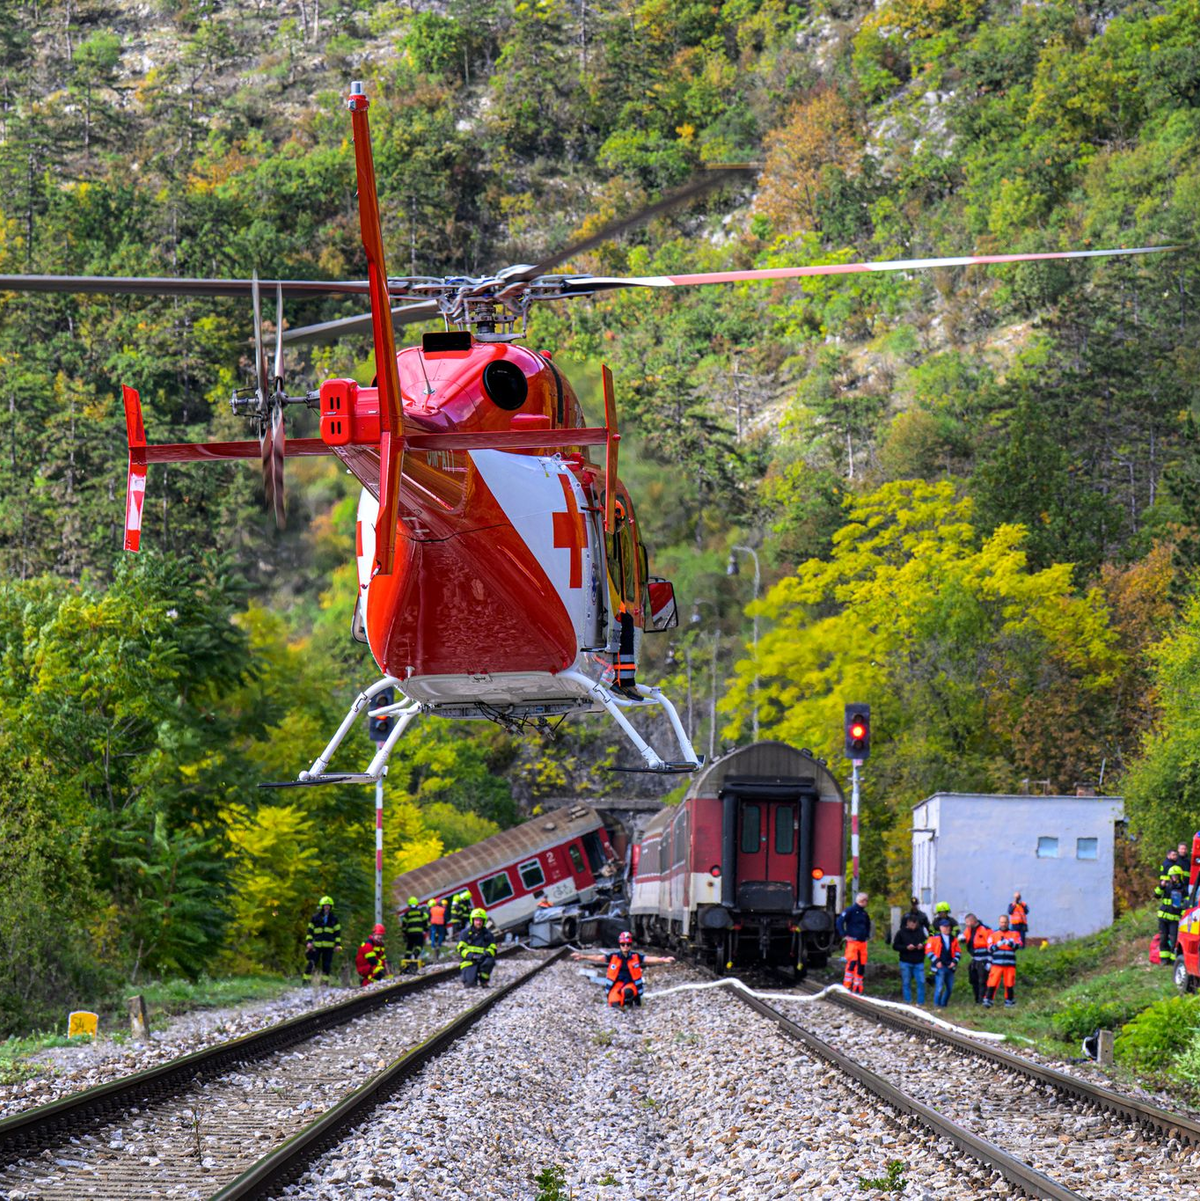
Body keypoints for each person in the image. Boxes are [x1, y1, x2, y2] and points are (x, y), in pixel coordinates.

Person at [572, 931, 675, 1008]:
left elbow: (649, 959)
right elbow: (598, 958)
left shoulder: (635, 956)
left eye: (628, 944)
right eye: (623, 944)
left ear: (630, 945)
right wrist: (583, 956)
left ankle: (631, 1002)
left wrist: (663, 960)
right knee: (614, 1003)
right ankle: (620, 1004)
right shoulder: (613, 956)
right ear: (620, 945)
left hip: (630, 984)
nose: (625, 946)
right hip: (616, 984)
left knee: (628, 993)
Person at [982, 915, 1022, 1008]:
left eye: (1005, 922)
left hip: (1010, 964)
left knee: (1009, 983)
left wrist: (1010, 943)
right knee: (992, 982)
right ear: (999, 923)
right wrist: (998, 945)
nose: (1003, 924)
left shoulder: (1014, 934)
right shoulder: (993, 935)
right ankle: (988, 1000)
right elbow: (990, 948)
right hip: (997, 964)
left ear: (1008, 923)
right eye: (1002, 922)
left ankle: (1009, 1000)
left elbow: (1018, 945)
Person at [836, 892, 872, 995]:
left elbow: (867, 925)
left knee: (861, 965)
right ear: (859, 900)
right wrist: (844, 935)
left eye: (866, 900)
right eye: (863, 900)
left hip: (862, 943)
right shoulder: (850, 910)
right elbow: (839, 922)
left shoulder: (864, 914)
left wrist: (866, 936)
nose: (865, 902)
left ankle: (857, 988)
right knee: (852, 963)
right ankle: (847, 986)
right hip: (852, 942)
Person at [303, 895, 342, 984]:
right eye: (325, 905)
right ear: (322, 906)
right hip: (316, 945)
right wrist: (309, 942)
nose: (327, 907)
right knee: (312, 963)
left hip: (329, 946)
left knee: (326, 965)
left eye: (328, 905)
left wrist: (338, 944)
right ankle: (306, 981)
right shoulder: (315, 917)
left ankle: (324, 983)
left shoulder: (334, 919)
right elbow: (310, 931)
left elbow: (337, 933)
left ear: (331, 907)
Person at [926, 915, 961, 1008]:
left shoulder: (954, 939)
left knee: (949, 988)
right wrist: (936, 961)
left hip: (950, 966)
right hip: (939, 966)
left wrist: (954, 961)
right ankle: (936, 1005)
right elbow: (928, 951)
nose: (947, 928)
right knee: (939, 988)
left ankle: (943, 1004)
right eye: (945, 927)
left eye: (948, 926)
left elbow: (958, 952)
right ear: (940, 928)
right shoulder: (934, 938)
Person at [457, 908, 498, 987]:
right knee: (470, 984)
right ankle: (469, 978)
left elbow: (493, 948)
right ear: (472, 921)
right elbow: (461, 948)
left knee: (490, 961)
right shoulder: (465, 933)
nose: (478, 922)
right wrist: (471, 956)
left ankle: (484, 981)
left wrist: (486, 954)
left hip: (483, 959)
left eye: (480, 920)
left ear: (484, 921)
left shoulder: (488, 934)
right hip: (469, 960)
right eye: (476, 920)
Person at [891, 914, 926, 1006]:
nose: (914, 925)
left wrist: (922, 945)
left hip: (918, 961)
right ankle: (908, 1001)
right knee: (906, 982)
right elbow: (895, 946)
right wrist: (906, 947)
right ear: (908, 923)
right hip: (905, 961)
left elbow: (926, 942)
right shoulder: (901, 933)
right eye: (912, 923)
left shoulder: (920, 932)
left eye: (915, 923)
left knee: (921, 982)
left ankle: (920, 1002)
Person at [1155, 873, 1185, 965]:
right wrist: (1161, 886)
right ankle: (1164, 959)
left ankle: (1173, 960)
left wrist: (1183, 916)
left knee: (1174, 939)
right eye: (1172, 876)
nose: (1174, 878)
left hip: (1174, 919)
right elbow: (1156, 895)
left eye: (1176, 876)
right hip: (1163, 917)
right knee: (1163, 938)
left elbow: (1185, 904)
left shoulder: (1183, 888)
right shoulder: (1166, 886)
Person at [962, 913, 991, 1005]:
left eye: (967, 922)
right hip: (974, 959)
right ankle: (977, 999)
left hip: (984, 959)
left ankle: (982, 1000)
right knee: (973, 980)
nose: (966, 924)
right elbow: (965, 940)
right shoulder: (968, 931)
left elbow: (991, 945)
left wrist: (990, 961)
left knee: (982, 981)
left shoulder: (985, 930)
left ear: (973, 921)